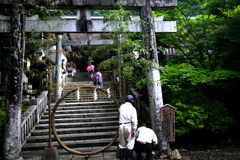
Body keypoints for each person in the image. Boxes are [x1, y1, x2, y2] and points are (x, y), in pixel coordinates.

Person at [119, 95, 138, 160]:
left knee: (121, 144)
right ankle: (127, 159)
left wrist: (121, 105)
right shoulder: (133, 109)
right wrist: (134, 130)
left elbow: (119, 111)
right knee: (130, 144)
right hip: (128, 126)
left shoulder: (121, 107)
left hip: (121, 126)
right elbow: (134, 121)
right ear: (132, 101)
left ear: (125, 100)